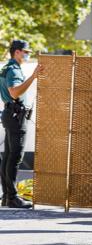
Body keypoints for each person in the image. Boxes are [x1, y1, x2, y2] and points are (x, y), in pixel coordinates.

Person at [0, 40, 42, 209]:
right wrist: (33, 76)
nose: (27, 55)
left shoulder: (7, 68)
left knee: (9, 156)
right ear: (17, 52)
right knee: (15, 157)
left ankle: (7, 196)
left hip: (11, 114)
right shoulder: (13, 69)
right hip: (16, 116)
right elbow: (15, 92)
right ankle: (12, 197)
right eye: (26, 52)